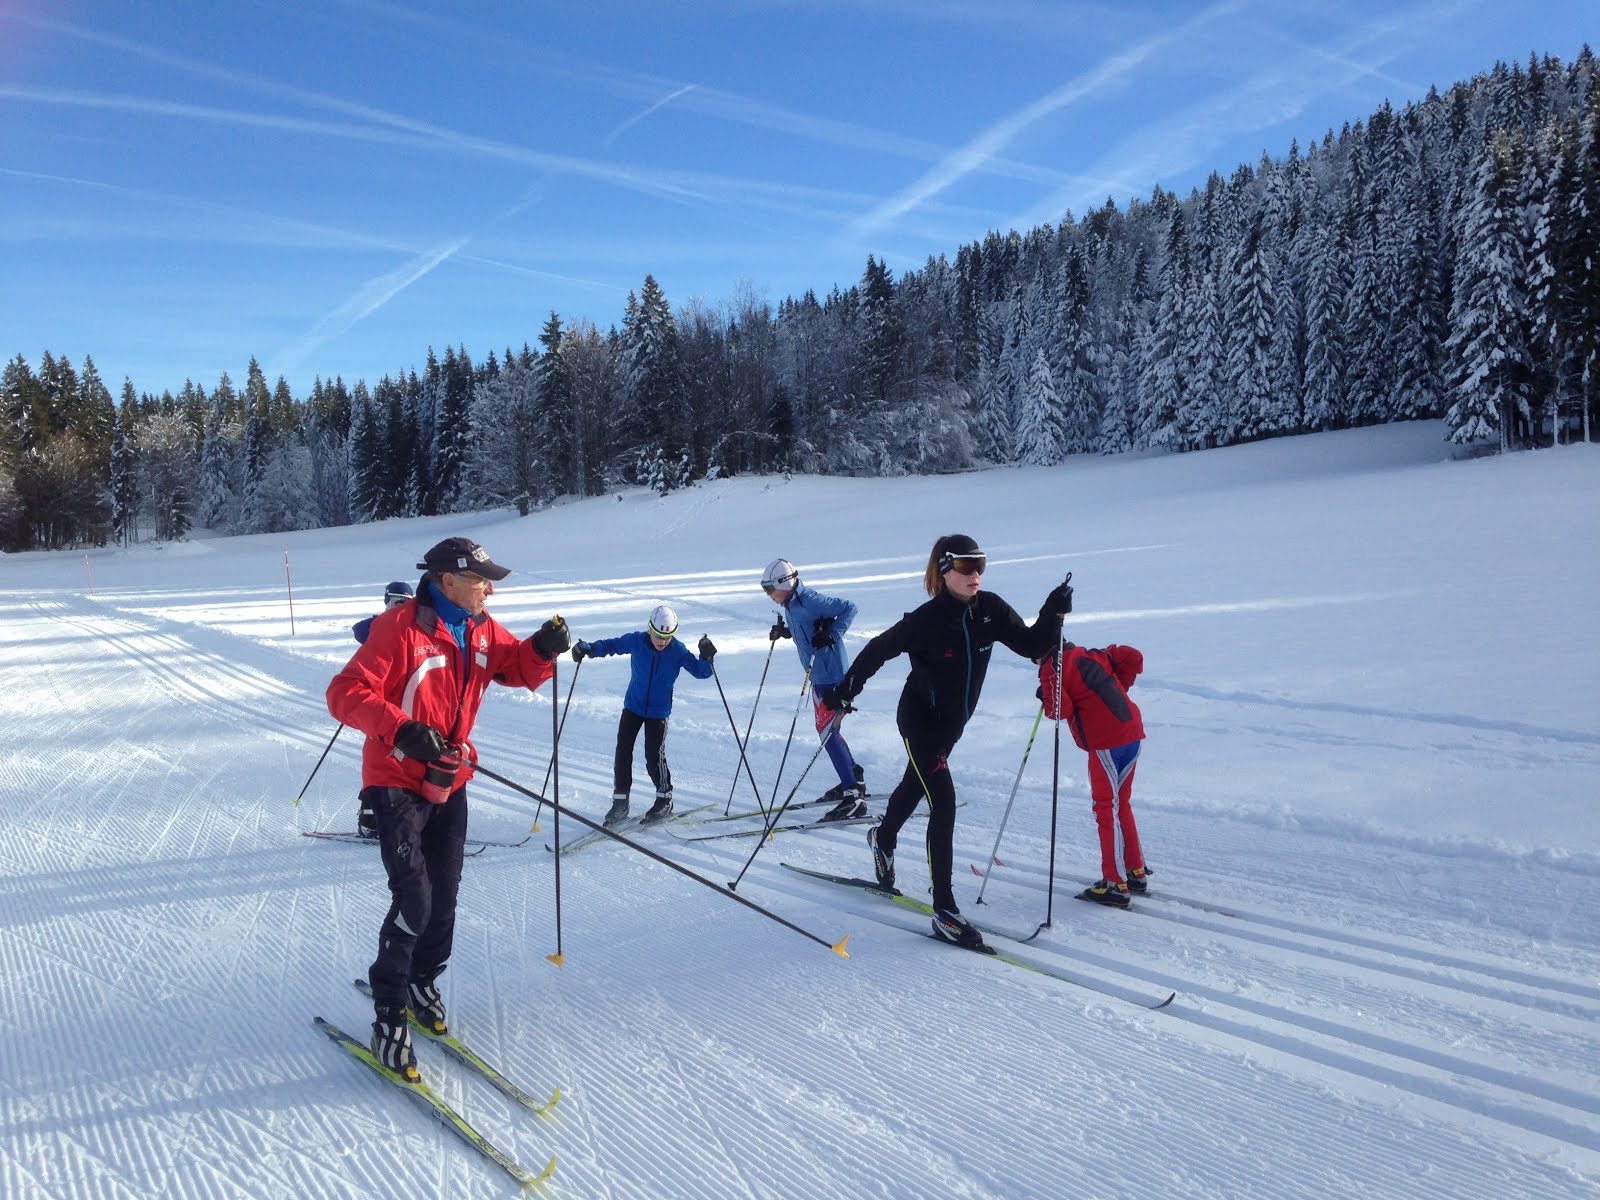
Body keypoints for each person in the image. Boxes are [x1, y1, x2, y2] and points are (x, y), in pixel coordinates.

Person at [327, 536, 571, 1081]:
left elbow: (515, 668)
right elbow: (343, 693)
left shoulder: (482, 629)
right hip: (395, 779)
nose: (489, 588)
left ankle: (422, 979)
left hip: (449, 778)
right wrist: (402, 729)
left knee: (445, 894)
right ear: (447, 581)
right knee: (413, 895)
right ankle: (389, 1015)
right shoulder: (401, 629)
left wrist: (543, 647)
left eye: (490, 581)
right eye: (482, 579)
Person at [821, 534, 1073, 950]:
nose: (976, 575)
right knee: (944, 801)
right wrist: (846, 691)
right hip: (920, 723)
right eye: (967, 567)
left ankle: (882, 840)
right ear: (945, 570)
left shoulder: (989, 610)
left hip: (952, 726)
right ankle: (944, 909)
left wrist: (1053, 611)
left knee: (914, 786)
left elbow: (1033, 645)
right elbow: (877, 650)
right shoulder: (926, 619)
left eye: (982, 566)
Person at [571, 604, 715, 827]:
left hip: (658, 713)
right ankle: (620, 803)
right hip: (633, 707)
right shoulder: (637, 641)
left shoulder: (677, 650)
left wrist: (707, 657)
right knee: (623, 752)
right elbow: (611, 645)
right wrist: (589, 649)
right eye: (658, 635)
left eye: (668, 636)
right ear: (649, 629)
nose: (662, 641)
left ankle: (664, 799)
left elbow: (701, 672)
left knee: (653, 757)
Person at [1038, 640, 1150, 909]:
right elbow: (1133, 657)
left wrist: (1046, 693)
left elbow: (1060, 710)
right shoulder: (1092, 654)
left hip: (1106, 742)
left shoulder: (1052, 668)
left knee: (1105, 808)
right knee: (1120, 804)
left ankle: (1115, 884)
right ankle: (1134, 871)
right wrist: (1118, 689)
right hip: (1132, 731)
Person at [761, 558, 866, 820]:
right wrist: (785, 633)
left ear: (784, 583)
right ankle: (853, 778)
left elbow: (850, 608)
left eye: (769, 589)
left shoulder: (809, 600)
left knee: (827, 732)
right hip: (819, 674)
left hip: (832, 674)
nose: (769, 596)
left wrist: (833, 632)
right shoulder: (790, 604)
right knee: (830, 730)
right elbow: (806, 629)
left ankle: (853, 795)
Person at [352, 580, 416, 837]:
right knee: (379, 757)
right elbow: (359, 631)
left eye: (405, 601)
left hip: (409, 698)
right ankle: (370, 817)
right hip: (381, 702)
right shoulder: (379, 625)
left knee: (410, 759)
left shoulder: (414, 624)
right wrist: (385, 619)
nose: (400, 606)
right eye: (395, 601)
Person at [352, 579, 414, 646]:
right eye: (398, 602)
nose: (402, 607)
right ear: (387, 602)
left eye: (407, 603)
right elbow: (360, 630)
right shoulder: (371, 626)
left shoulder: (416, 626)